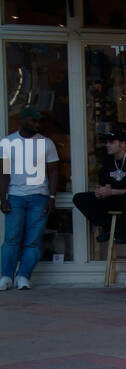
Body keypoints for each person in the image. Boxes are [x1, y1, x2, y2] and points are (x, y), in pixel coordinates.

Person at [0, 106, 59, 291]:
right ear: (22, 120)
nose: (37, 124)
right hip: (15, 196)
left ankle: (24, 276)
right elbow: (3, 173)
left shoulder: (46, 143)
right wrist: (3, 198)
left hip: (39, 196)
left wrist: (52, 196)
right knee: (11, 238)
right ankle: (6, 276)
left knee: (33, 240)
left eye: (38, 121)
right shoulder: (7, 142)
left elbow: (54, 171)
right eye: (33, 121)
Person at [73, 127, 126, 246]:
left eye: (111, 142)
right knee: (79, 198)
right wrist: (101, 191)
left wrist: (112, 192)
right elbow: (105, 185)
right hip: (112, 200)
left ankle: (123, 233)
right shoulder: (107, 162)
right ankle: (107, 227)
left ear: (122, 144)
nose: (107, 145)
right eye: (106, 142)